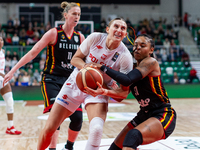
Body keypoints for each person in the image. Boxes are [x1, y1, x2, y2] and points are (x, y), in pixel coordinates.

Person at [6, 17, 133, 150]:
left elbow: (123, 93)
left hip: (98, 91)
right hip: (75, 83)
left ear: (125, 35)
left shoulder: (125, 57)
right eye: (116, 26)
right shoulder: (95, 38)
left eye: (123, 28)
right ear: (108, 29)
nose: (119, 30)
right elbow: (75, 59)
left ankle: (70, 146)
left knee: (96, 130)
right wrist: (86, 68)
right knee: (50, 128)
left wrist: (105, 91)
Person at [3, 2, 85, 150]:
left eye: (78, 14)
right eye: (74, 13)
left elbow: (87, 60)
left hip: (71, 82)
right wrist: (13, 70)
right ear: (65, 15)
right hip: (52, 80)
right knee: (56, 117)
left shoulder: (80, 37)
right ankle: (52, 148)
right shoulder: (54, 33)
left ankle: (69, 146)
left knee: (78, 118)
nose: (77, 17)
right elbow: (33, 52)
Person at [85, 34, 176, 150]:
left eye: (142, 46)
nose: (137, 48)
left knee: (132, 136)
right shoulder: (132, 69)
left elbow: (127, 80)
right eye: (135, 45)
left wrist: (102, 67)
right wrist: (104, 91)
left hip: (162, 114)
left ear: (151, 50)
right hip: (144, 114)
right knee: (114, 148)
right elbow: (121, 95)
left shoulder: (151, 62)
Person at [0, 36, 21, 135]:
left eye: (1, 40)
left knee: (10, 102)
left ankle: (10, 127)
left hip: (2, 79)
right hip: (2, 77)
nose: (1, 41)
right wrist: (5, 75)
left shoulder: (3, 52)